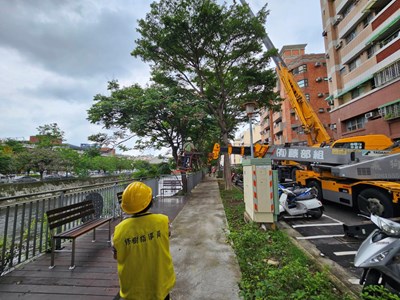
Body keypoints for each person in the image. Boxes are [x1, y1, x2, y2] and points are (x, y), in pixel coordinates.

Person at [112, 182, 175, 300]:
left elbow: (116, 255)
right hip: (160, 284)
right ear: (150, 201)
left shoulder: (119, 230)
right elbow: (168, 235)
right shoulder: (163, 221)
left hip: (132, 290)